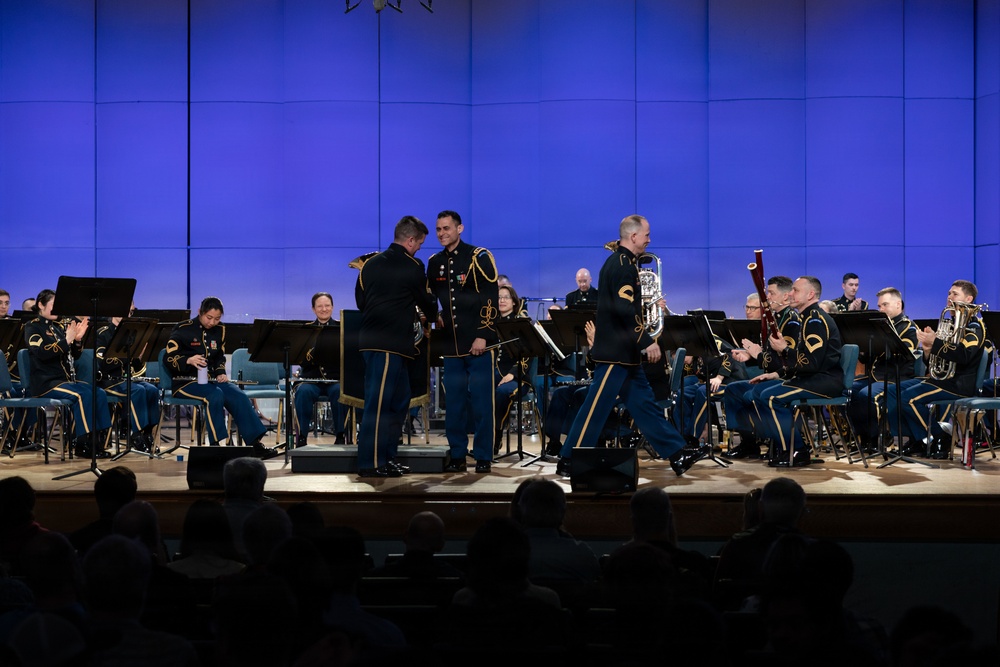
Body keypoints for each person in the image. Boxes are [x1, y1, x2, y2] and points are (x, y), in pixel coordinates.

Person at [556, 215, 710, 477]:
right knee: (595, 407)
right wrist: (647, 341)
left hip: (624, 355)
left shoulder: (622, 263)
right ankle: (569, 459)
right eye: (647, 235)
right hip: (616, 353)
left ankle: (677, 453)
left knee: (645, 407)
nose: (649, 240)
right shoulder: (623, 266)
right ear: (634, 236)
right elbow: (625, 310)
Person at [355, 215, 439, 478]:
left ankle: (388, 458)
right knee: (379, 405)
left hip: (382, 344)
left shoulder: (369, 265)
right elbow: (427, 302)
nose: (419, 250)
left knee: (399, 401)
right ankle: (370, 463)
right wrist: (433, 314)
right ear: (410, 240)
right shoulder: (412, 266)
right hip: (387, 345)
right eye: (419, 244)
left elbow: (360, 301)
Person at [427, 210, 500, 474]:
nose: (442, 233)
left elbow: (490, 297)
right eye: (438, 229)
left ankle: (482, 456)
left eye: (446, 228)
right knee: (454, 405)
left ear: (460, 228)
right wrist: (434, 315)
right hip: (451, 345)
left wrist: (484, 333)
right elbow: (430, 295)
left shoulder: (478, 256)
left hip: (478, 343)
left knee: (481, 404)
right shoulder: (434, 262)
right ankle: (457, 454)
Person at [163, 296, 277, 458]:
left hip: (209, 380)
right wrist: (188, 360)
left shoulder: (220, 330)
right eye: (209, 318)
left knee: (237, 395)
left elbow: (218, 357)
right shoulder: (182, 328)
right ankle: (216, 446)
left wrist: (220, 372)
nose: (212, 322)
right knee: (214, 395)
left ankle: (255, 444)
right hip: (184, 381)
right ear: (200, 312)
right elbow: (167, 358)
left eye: (217, 319)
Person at [885, 280, 987, 458]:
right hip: (942, 379)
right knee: (892, 392)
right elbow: (936, 360)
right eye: (949, 293)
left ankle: (940, 437)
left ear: (969, 298)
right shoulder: (950, 323)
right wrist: (927, 351)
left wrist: (935, 343)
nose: (949, 297)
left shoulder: (974, 327)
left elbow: (964, 355)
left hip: (959, 384)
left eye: (955, 294)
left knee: (908, 399)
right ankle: (918, 440)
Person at [753, 276, 844, 467]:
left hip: (824, 380)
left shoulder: (815, 321)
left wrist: (784, 350)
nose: (791, 294)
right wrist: (778, 374)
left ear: (810, 294)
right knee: (762, 393)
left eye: (795, 290)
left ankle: (797, 450)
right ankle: (782, 447)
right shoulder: (807, 318)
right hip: (812, 377)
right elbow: (803, 363)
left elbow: (811, 363)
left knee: (770, 398)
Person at [24, 289, 112, 458]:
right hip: (45, 383)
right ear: (41, 305)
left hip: (62, 381)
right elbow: (42, 352)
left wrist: (77, 341)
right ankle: (82, 443)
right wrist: (67, 340)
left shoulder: (57, 328)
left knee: (98, 392)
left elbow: (75, 355)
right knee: (82, 395)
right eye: (53, 305)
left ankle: (98, 441)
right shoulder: (32, 326)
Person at [725, 277, 801, 460]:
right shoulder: (773, 319)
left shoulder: (791, 322)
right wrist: (750, 355)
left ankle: (779, 444)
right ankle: (749, 444)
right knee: (733, 390)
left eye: (771, 293)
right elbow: (770, 357)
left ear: (784, 298)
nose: (766, 297)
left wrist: (758, 355)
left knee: (758, 393)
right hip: (774, 374)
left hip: (786, 377)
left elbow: (785, 363)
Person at [846, 287, 919, 453]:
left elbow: (904, 355)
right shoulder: (880, 326)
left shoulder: (909, 327)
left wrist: (879, 345)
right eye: (879, 306)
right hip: (875, 376)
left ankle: (878, 439)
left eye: (884, 305)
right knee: (849, 391)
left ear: (898, 304)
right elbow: (866, 359)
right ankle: (863, 438)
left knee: (867, 394)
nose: (881, 309)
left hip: (896, 378)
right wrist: (863, 345)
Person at [95, 308, 161, 453]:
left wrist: (139, 356)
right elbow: (103, 363)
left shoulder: (132, 333)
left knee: (152, 390)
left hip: (127, 378)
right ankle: (136, 435)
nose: (127, 314)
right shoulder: (102, 333)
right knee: (137, 390)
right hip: (108, 381)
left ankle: (147, 432)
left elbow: (135, 365)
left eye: (130, 312)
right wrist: (128, 356)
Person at [294, 292, 347, 447]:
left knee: (340, 391)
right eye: (320, 306)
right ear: (313, 309)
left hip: (335, 379)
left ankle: (340, 435)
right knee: (303, 392)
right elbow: (300, 359)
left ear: (332, 307)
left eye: (327, 305)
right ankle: (302, 436)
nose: (324, 309)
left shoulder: (342, 328)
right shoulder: (306, 330)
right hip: (312, 380)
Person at [493, 283, 532, 455]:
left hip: (518, 377)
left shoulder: (520, 324)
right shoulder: (491, 324)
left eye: (506, 297)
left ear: (514, 302)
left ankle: (496, 435)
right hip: (493, 373)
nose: (501, 300)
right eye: (499, 297)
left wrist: (512, 374)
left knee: (502, 392)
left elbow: (527, 355)